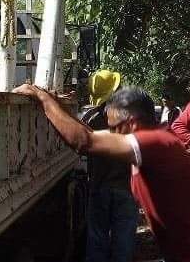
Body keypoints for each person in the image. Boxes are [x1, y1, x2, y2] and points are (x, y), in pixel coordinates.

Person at [13, 83, 190, 262]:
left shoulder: (155, 142)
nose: (111, 133)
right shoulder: (157, 139)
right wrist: (56, 104)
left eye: (114, 127)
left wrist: (43, 98)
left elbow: (84, 141)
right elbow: (92, 134)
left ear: (131, 123)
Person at [80, 70, 137, 262]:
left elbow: (81, 147)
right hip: (125, 186)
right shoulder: (131, 118)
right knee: (124, 241)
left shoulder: (90, 118)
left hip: (99, 185)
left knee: (97, 240)